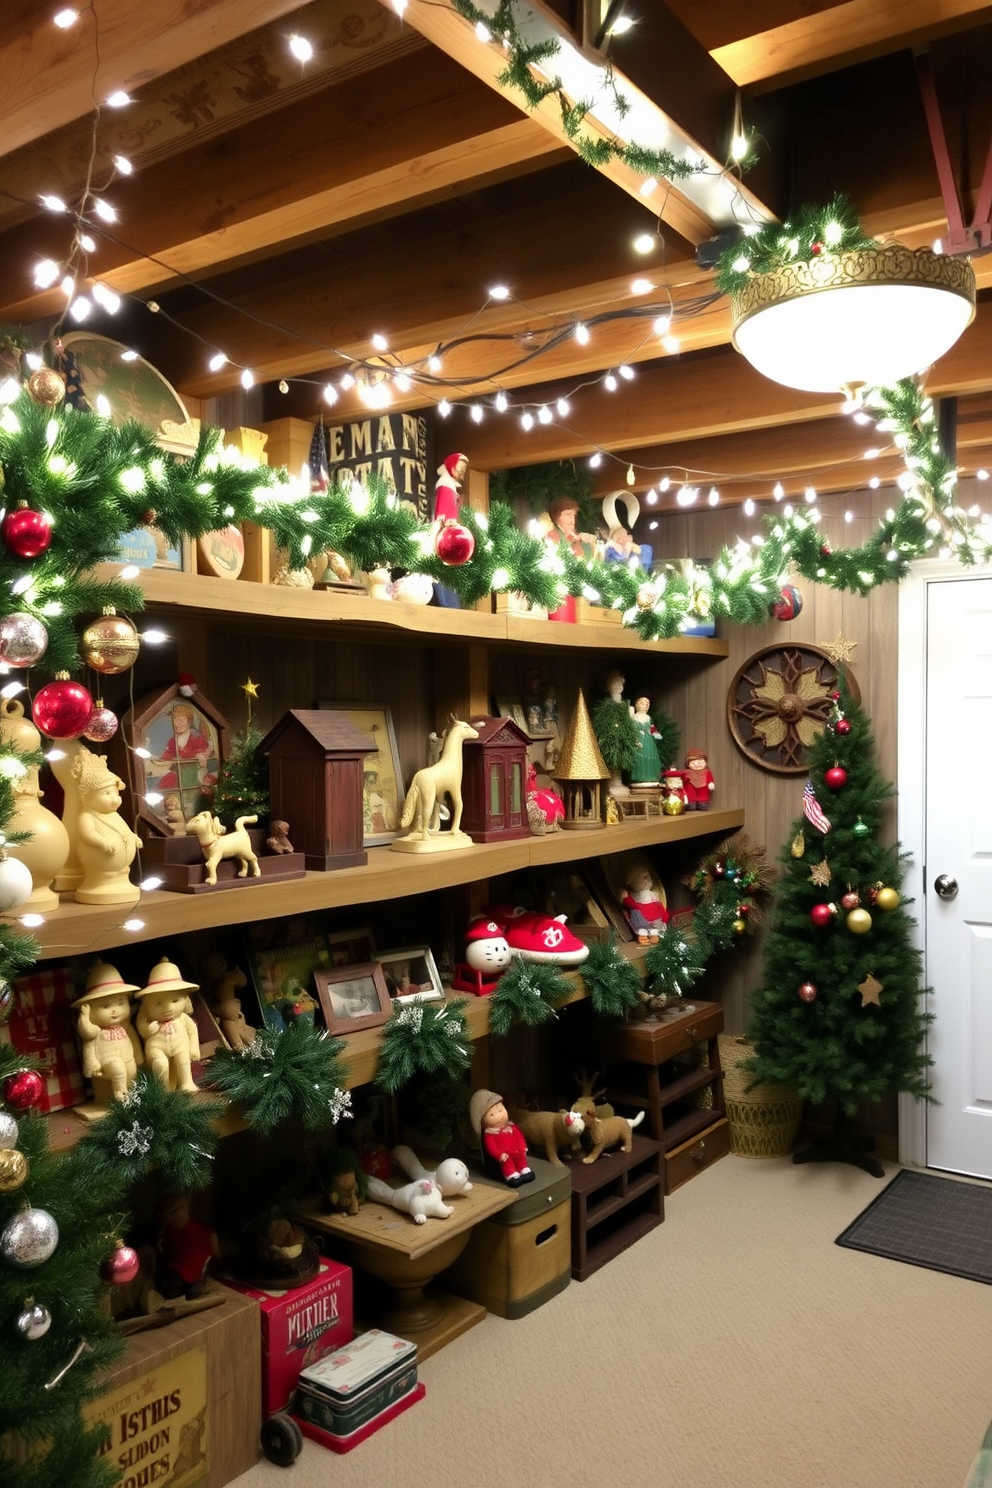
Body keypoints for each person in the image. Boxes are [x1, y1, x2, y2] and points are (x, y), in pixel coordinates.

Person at [470, 1089, 534, 1186]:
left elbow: (519, 1137)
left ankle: (524, 1170)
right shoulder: (490, 1134)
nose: (500, 1115)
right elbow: (491, 1148)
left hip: (517, 1151)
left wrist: (522, 1147)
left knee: (521, 1159)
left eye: (501, 1110)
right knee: (507, 1164)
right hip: (505, 1156)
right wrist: (499, 1155)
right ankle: (512, 1176)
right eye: (492, 1114)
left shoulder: (511, 1127)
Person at [622, 866, 669, 945]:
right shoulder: (634, 895)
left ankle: (654, 935)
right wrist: (626, 898)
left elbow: (658, 904)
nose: (648, 879)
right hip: (641, 919)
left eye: (648, 876)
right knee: (641, 927)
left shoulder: (652, 894)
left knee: (657, 926)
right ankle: (643, 936)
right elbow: (631, 905)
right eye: (644, 877)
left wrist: (664, 915)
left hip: (655, 917)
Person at [629, 696, 662, 787]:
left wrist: (656, 734)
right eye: (642, 703)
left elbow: (651, 728)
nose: (645, 705)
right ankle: (639, 777)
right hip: (639, 740)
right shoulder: (634, 717)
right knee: (639, 758)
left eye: (647, 704)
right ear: (637, 705)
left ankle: (650, 776)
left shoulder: (648, 717)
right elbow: (632, 729)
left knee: (649, 757)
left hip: (649, 741)